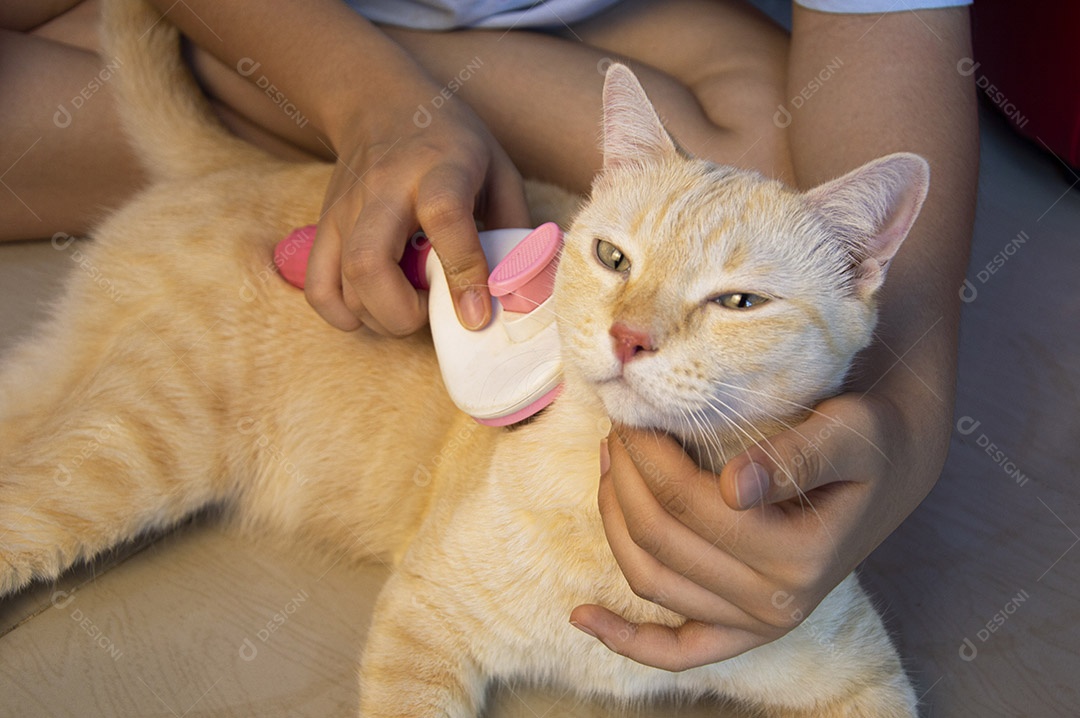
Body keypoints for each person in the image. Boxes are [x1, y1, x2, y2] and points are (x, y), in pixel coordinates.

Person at [0, 0, 977, 671]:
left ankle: (264, 81)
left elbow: (890, 35)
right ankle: (276, 68)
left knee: (751, 189)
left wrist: (910, 420)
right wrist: (371, 104)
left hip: (573, 23)